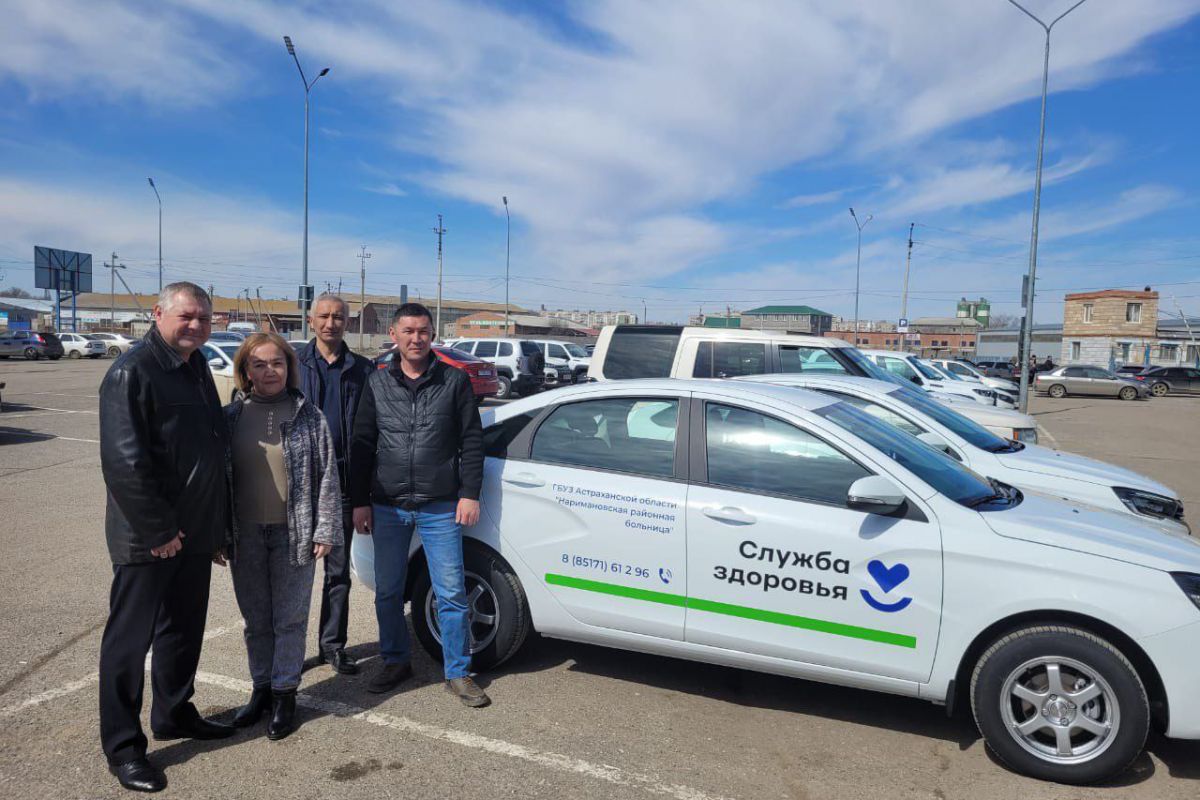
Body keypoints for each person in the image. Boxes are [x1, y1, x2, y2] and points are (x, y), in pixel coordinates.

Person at [98, 282, 234, 794]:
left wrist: (213, 529)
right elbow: (125, 462)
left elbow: (208, 450)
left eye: (204, 318)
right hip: (147, 538)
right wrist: (157, 530)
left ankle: (174, 713)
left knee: (182, 630)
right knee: (129, 643)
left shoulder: (195, 367)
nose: (196, 325)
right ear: (158, 313)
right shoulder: (132, 372)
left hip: (193, 533)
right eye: (186, 316)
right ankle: (123, 748)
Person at [350, 302, 489, 707]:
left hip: (440, 506)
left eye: (423, 331)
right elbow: (362, 444)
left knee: (451, 594)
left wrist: (469, 492)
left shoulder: (454, 381)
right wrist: (359, 502)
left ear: (433, 335)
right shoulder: (377, 383)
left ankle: (458, 672)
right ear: (393, 334)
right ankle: (396, 661)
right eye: (408, 331)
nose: (416, 338)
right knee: (388, 591)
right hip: (388, 506)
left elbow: (472, 440)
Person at [223, 332, 342, 740]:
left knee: (290, 619)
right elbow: (218, 480)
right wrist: (219, 533)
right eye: (258, 364)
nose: (269, 371)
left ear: (289, 367)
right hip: (245, 535)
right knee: (256, 620)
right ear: (246, 371)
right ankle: (261, 689)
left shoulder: (310, 416)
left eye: (276, 363)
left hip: (296, 534)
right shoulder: (230, 417)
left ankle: (285, 693)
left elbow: (328, 476)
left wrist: (325, 528)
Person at [294, 294, 373, 675]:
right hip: (297, 487)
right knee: (293, 576)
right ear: (311, 320)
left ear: (347, 322)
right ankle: (288, 651)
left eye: (338, 317)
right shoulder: (292, 364)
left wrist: (362, 496)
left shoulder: (363, 370)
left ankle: (332, 646)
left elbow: (370, 434)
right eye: (323, 316)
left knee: (337, 574)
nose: (330, 323)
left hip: (341, 486)